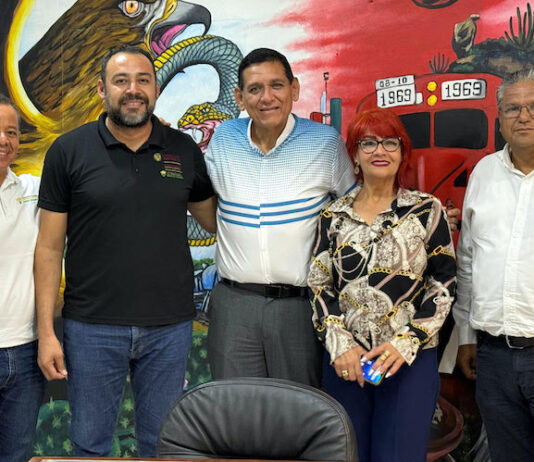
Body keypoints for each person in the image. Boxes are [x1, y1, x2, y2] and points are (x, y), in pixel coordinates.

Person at [34, 45, 216, 457]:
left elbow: (215, 221)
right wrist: (46, 332)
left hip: (169, 327)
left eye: (143, 80)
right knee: (90, 446)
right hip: (91, 327)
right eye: (121, 81)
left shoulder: (183, 149)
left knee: (162, 445)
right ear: (102, 90)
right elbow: (48, 247)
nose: (133, 89)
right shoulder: (68, 150)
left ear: (156, 89)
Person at [308, 108, 456, 462]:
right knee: (347, 454)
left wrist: (408, 341)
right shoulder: (333, 216)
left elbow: (444, 281)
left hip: (408, 362)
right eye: (368, 143)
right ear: (355, 155)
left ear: (403, 152)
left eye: (390, 142)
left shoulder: (426, 210)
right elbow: (319, 285)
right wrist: (340, 343)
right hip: (347, 361)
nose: (380, 151)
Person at [204, 48, 357, 387]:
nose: (267, 97)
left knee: (298, 408)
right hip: (234, 306)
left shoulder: (325, 143)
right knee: (236, 407)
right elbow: (200, 198)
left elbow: (356, 213)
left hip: (300, 308)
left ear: (294, 89)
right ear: (239, 97)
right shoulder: (224, 138)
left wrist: (417, 221)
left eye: (276, 85)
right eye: (255, 89)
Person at [453, 68, 534, 462]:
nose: (524, 116)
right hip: (493, 357)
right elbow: (468, 260)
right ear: (500, 119)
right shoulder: (484, 173)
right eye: (513, 108)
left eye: (533, 107)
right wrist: (466, 335)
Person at [0, 95, 46, 462]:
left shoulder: (33, 190)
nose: (4, 140)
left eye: (11, 132)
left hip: (27, 354)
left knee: (16, 455)